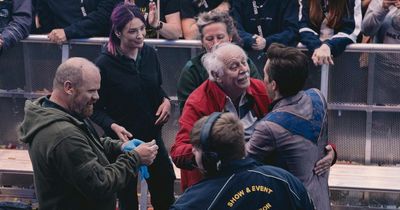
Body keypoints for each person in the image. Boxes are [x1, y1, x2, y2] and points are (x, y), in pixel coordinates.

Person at [18, 57, 159, 210]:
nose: (97, 97)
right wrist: (135, 158)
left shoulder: (62, 113)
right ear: (68, 87)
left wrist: (121, 146)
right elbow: (100, 184)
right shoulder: (64, 135)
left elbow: (88, 145)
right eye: (91, 91)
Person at [91, 3, 175, 210]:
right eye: (132, 31)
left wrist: (166, 101)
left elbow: (154, 88)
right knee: (127, 198)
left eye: (142, 29)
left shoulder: (149, 54)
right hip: (122, 142)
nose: (140, 35)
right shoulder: (104, 64)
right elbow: (94, 107)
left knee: (164, 191)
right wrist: (112, 126)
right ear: (118, 32)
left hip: (152, 136)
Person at [171, 42, 270, 191]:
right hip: (215, 183)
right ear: (217, 75)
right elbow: (178, 152)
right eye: (234, 67)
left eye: (244, 62)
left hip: (255, 177)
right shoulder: (198, 102)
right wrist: (208, 155)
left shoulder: (260, 89)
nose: (244, 70)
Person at [247, 43, 333, 210]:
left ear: (273, 85)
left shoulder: (269, 127)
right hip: (321, 202)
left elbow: (241, 161)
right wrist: (332, 153)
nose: (262, 80)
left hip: (295, 204)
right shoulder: (318, 97)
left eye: (265, 75)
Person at [171, 112, 315, 210]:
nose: (193, 151)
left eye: (196, 148)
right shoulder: (286, 182)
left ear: (210, 157)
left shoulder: (191, 203)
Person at [177, 11, 262, 112]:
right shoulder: (192, 70)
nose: (216, 43)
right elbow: (187, 112)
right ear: (202, 42)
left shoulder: (245, 63)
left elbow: (259, 95)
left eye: (220, 37)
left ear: (230, 37)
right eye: (209, 39)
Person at [299, 0, 362, 65]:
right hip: (312, 56)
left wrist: (328, 46)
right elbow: (303, 27)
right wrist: (317, 47)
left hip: (343, 57)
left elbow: (351, 30)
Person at [362, 0, 400, 105]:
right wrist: (382, 7)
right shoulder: (379, 1)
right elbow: (366, 30)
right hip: (381, 71)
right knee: (379, 117)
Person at [36, 0, 121, 44]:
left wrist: (68, 32)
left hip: (103, 48)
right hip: (62, 49)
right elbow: (46, 21)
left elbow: (103, 17)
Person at [229, 0, 299, 52]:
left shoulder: (289, 2)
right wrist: (251, 40)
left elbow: (292, 30)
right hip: (247, 51)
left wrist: (267, 41)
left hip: (280, 52)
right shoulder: (237, 2)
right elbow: (234, 27)